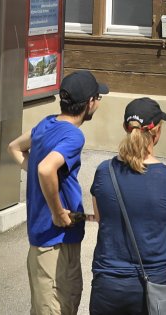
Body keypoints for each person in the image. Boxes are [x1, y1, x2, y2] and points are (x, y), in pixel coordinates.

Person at [9, 70, 108, 315]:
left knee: (62, 302)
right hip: (54, 242)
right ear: (89, 103)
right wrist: (57, 212)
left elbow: (14, 148)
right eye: (97, 98)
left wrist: (38, 175)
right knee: (56, 307)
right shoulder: (74, 135)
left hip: (55, 239)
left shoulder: (47, 123)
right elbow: (45, 169)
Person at [88, 98, 166, 315]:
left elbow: (101, 218)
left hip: (109, 284)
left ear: (126, 128)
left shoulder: (104, 171)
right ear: (157, 132)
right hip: (156, 284)